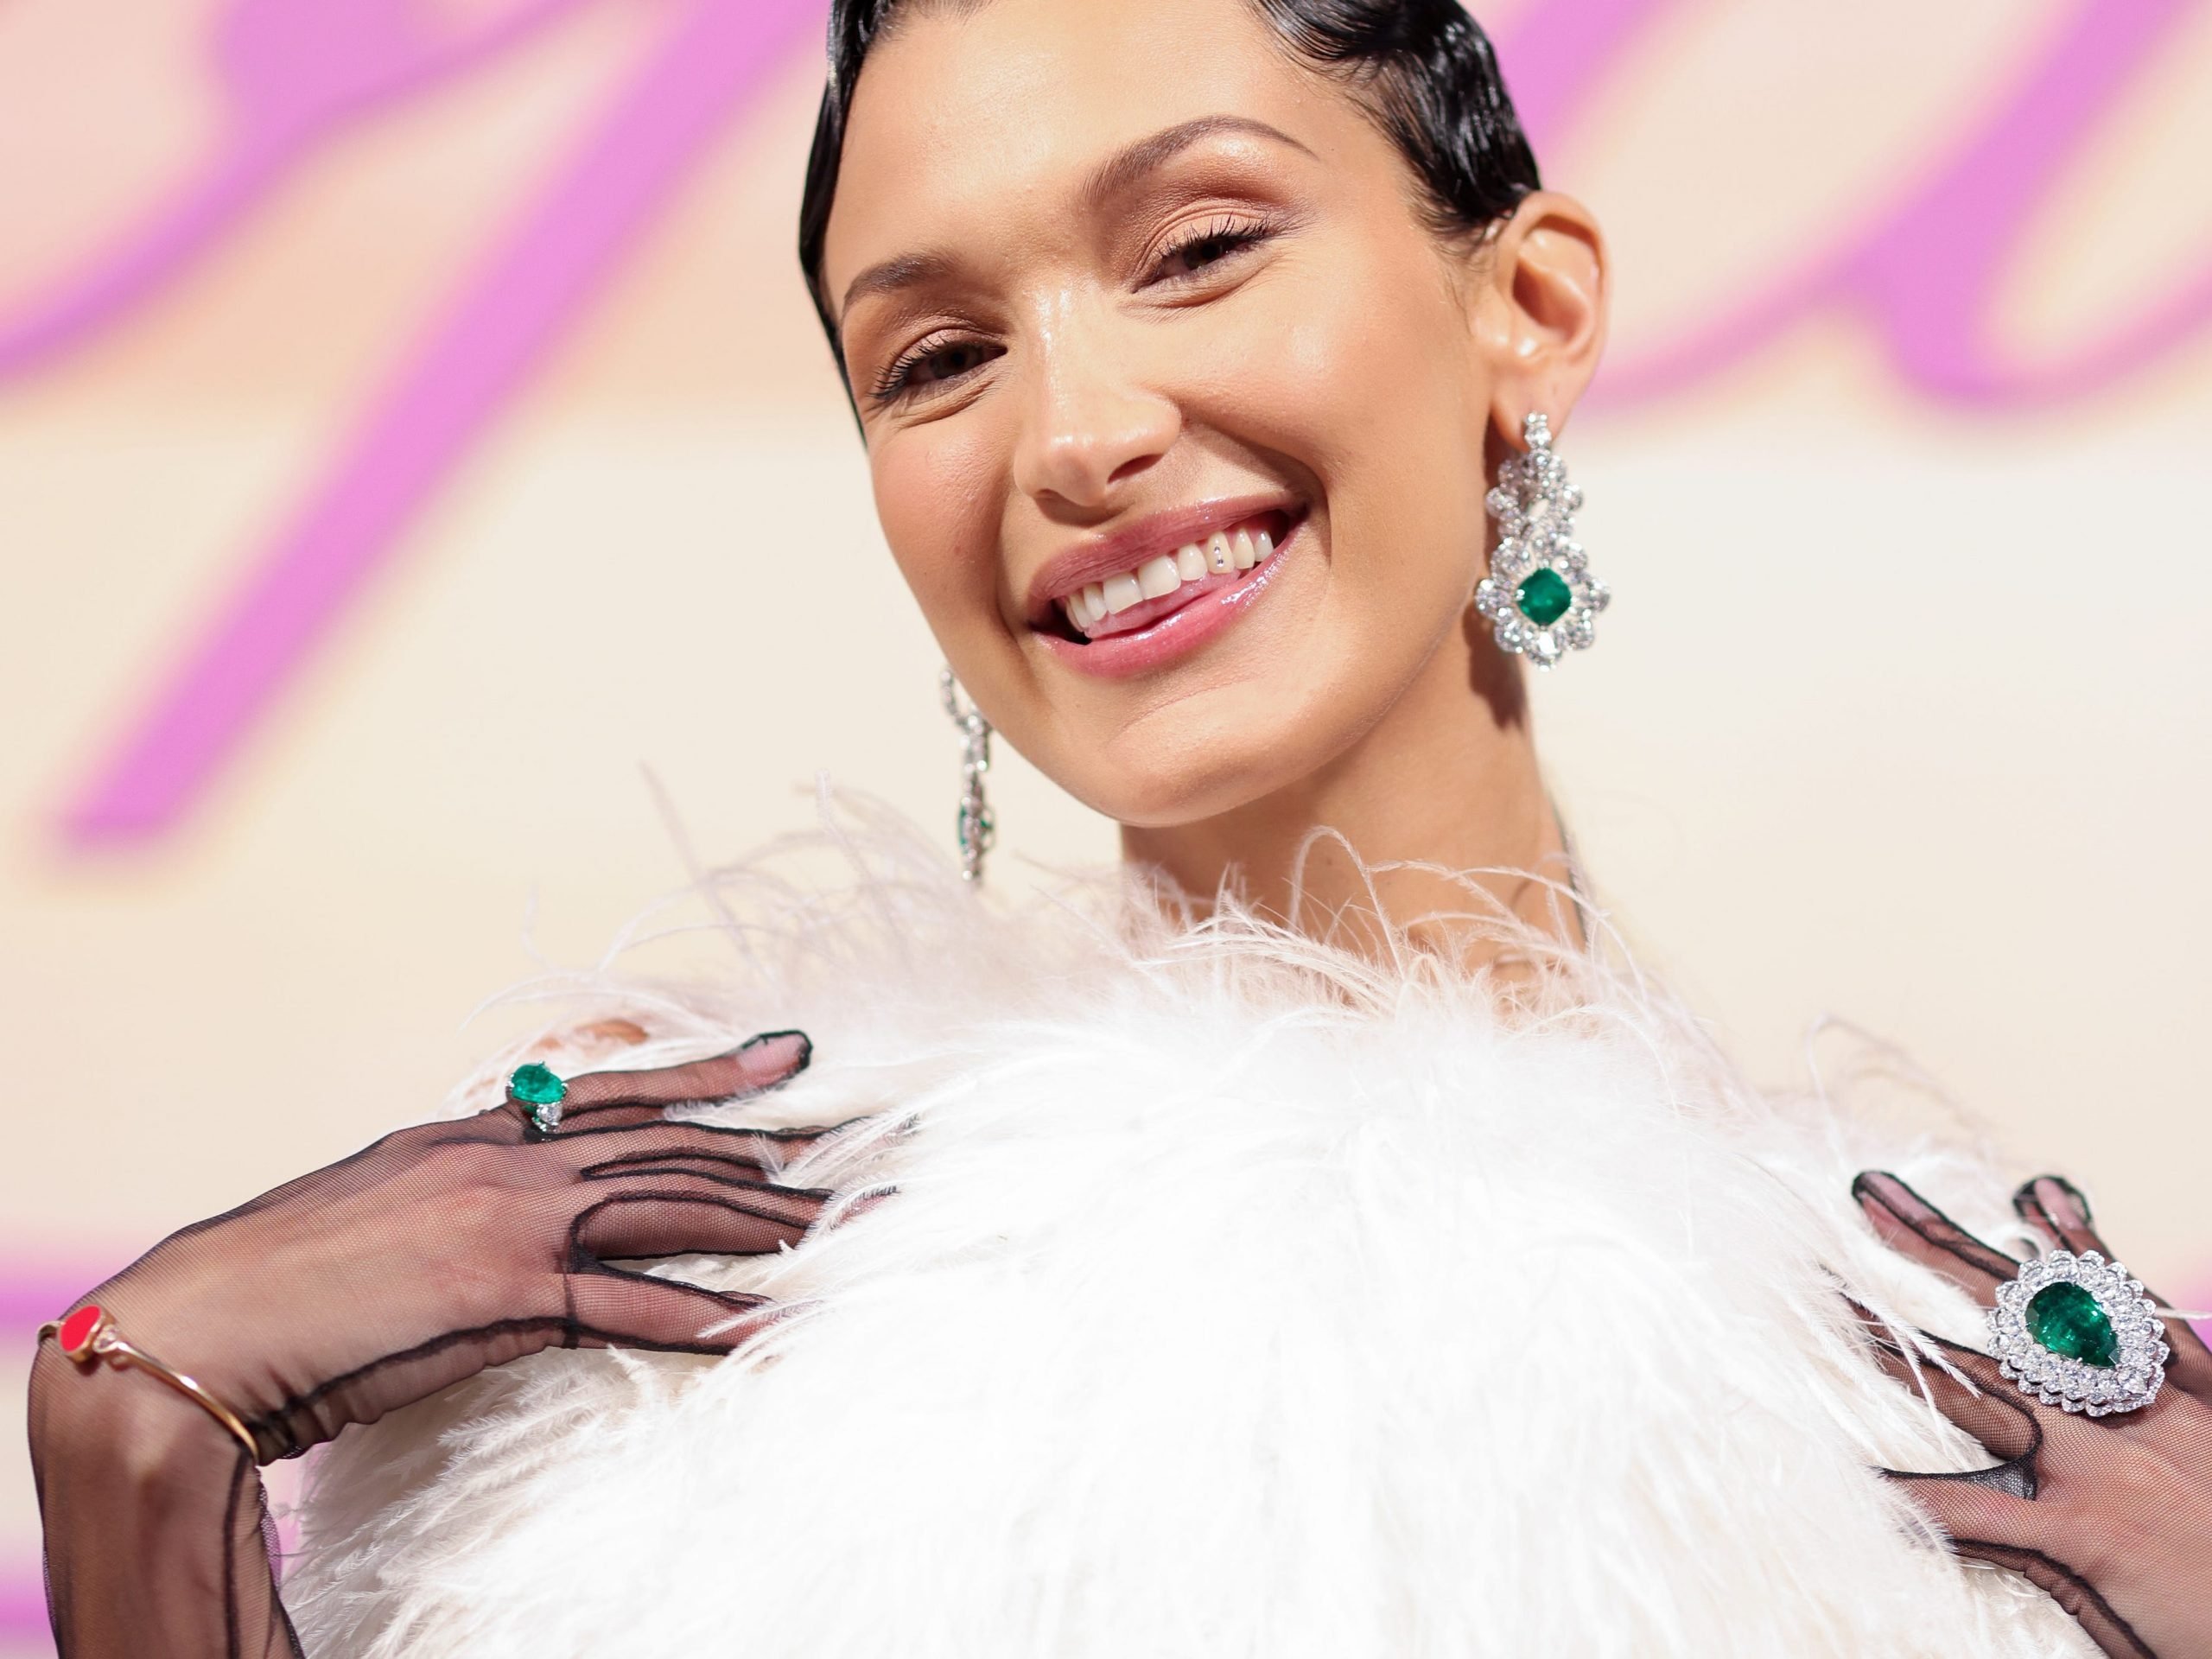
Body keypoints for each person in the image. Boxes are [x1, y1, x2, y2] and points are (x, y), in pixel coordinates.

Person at [28, 2, 2212, 1654]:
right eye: (938, 358)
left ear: (1522, 306)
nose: (1072, 436)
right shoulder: (702, 1294)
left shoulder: (1951, 1364)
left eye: (1193, 246)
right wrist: (141, 1442)